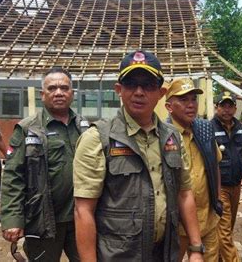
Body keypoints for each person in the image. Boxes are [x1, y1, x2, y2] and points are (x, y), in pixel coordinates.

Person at [73, 50, 204, 261]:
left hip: (165, 252)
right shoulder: (97, 139)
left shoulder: (172, 138)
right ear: (119, 90)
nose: (139, 92)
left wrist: (196, 248)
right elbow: (83, 210)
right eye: (131, 84)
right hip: (118, 255)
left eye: (149, 85)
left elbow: (184, 193)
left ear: (161, 93)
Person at [1, 67, 88, 261]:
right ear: (43, 94)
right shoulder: (27, 129)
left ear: (72, 93)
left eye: (64, 88)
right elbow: (13, 176)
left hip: (81, 219)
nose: (59, 92)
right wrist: (12, 219)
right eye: (52, 88)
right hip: (42, 220)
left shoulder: (85, 127)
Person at [165, 78, 223, 261]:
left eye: (193, 100)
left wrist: (217, 200)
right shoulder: (162, 136)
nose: (190, 105)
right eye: (183, 100)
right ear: (169, 107)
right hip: (176, 225)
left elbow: (215, 167)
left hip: (207, 220)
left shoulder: (205, 130)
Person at [211, 91, 242, 262]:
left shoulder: (239, 127)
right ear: (216, 107)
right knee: (224, 231)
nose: (226, 110)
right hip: (220, 186)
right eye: (223, 106)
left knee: (227, 228)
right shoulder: (210, 128)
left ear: (235, 108)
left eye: (230, 106)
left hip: (236, 185)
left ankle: (216, 258)